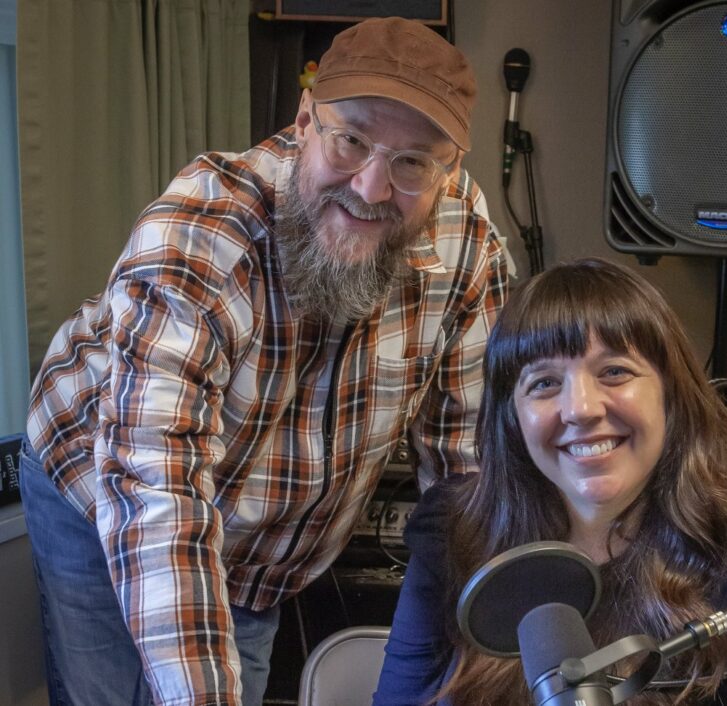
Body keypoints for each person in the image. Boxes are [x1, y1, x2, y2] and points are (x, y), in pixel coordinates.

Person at [20, 17, 508, 706]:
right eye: (352, 139)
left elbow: (466, 471)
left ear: (449, 169)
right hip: (101, 478)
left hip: (264, 550)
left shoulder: (470, 248)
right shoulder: (201, 231)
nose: (371, 187)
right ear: (305, 119)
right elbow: (156, 494)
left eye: (412, 163)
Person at [374, 258, 727, 706]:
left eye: (614, 372)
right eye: (544, 383)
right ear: (512, 417)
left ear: (671, 395)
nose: (581, 409)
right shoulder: (456, 532)